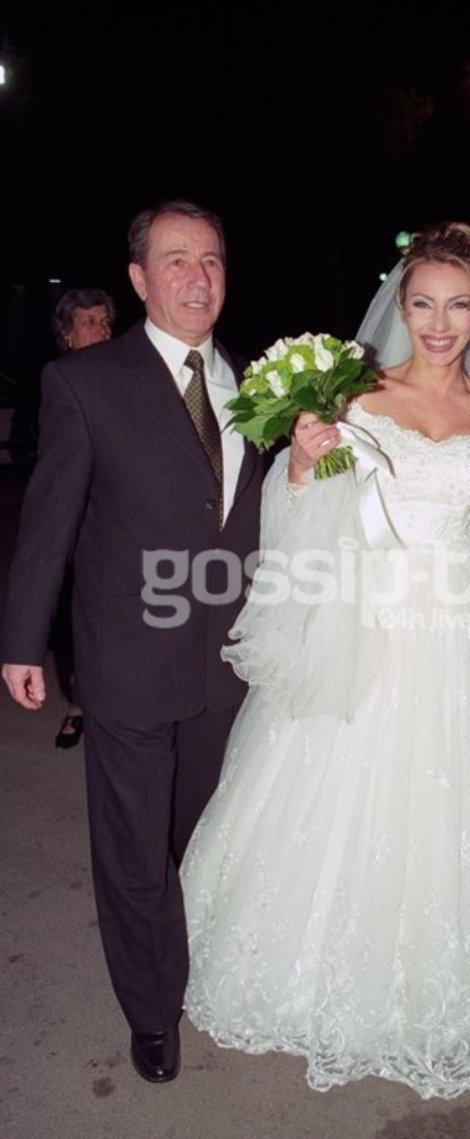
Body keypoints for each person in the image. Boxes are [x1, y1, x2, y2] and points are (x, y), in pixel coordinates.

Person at [181, 223, 470, 1099]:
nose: (440, 324)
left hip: (465, 627)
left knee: (464, 807)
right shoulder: (359, 398)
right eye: (423, 304)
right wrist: (302, 468)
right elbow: (305, 511)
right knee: (339, 793)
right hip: (367, 618)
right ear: (400, 308)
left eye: (458, 306)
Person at [0, 200, 266, 1084]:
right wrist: (22, 640)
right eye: (176, 259)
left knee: (203, 830)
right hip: (126, 656)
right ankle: (151, 1009)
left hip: (231, 659)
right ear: (140, 279)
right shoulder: (85, 382)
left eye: (212, 259)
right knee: (132, 847)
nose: (198, 276)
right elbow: (49, 524)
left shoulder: (261, 383)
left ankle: (200, 951)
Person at [49, 287, 117, 750]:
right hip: (75, 524)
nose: (101, 329)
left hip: (121, 521)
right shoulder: (59, 381)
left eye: (105, 321)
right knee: (72, 620)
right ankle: (76, 705)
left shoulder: (128, 377)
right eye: (89, 322)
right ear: (67, 335)